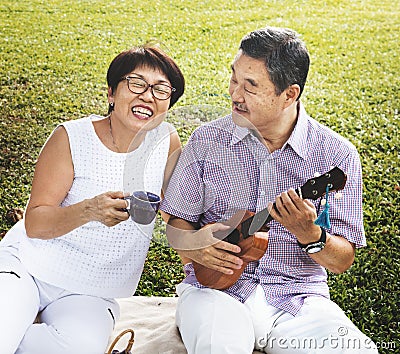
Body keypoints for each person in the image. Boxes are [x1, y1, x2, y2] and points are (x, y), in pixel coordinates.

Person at [161, 27, 378, 353]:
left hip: (297, 298)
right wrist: (195, 247)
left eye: (251, 87)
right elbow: (177, 226)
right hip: (214, 294)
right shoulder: (206, 140)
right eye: (234, 79)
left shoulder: (337, 154)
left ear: (289, 94)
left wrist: (310, 234)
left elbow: (342, 260)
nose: (235, 94)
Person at [0, 44, 185, 354]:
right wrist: (88, 210)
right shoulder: (72, 137)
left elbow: (178, 212)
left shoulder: (166, 142)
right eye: (136, 83)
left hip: (90, 289)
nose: (147, 95)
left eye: (161, 89)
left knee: (78, 348)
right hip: (29, 265)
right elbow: (34, 223)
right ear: (111, 93)